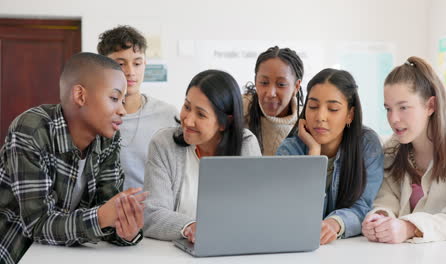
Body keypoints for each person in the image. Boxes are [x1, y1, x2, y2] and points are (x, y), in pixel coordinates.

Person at [0, 52, 147, 263]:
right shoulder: (32, 130)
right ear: (80, 95)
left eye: (123, 101)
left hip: (64, 255)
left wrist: (126, 230)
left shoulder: (109, 139)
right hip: (14, 251)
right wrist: (102, 217)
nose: (123, 110)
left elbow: (108, 211)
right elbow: (38, 225)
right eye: (114, 98)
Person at [143, 70, 261, 242]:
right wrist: (191, 227)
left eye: (201, 114)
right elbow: (152, 214)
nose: (188, 120)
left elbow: (255, 210)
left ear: (224, 122)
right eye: (187, 106)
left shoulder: (246, 144)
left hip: (233, 248)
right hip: (174, 252)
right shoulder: (163, 144)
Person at [362, 56, 446, 243]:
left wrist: (409, 228)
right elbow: (387, 198)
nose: (393, 119)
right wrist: (380, 217)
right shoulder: (392, 149)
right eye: (388, 109)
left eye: (403, 107)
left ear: (430, 106)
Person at [277, 68, 384, 245]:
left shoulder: (367, 144)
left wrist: (335, 224)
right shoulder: (290, 150)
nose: (320, 117)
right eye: (312, 106)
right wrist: (313, 153)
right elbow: (292, 213)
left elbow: (365, 206)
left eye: (333, 109)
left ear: (350, 114)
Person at [97, 25, 178, 190]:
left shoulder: (168, 115)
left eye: (137, 63)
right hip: (106, 212)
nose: (130, 72)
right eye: (121, 63)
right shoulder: (94, 117)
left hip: (155, 212)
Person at [243, 46, 304, 155]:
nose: (271, 93)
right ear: (255, 81)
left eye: (281, 84)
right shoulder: (240, 110)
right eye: (264, 83)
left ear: (296, 86)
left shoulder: (306, 122)